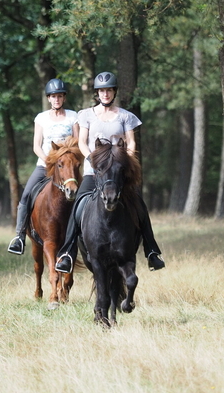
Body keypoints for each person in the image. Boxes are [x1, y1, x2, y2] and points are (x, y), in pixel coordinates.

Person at [55, 71, 165, 274]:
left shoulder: (125, 116)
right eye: (102, 91)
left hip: (117, 173)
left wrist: (124, 162)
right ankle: (67, 253)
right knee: (78, 205)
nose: (105, 94)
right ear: (97, 93)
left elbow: (130, 143)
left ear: (114, 92)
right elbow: (82, 142)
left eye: (109, 90)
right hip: (92, 172)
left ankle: (151, 251)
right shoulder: (86, 115)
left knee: (139, 204)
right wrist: (93, 162)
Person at [7, 79, 80, 255]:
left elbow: (77, 143)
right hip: (45, 165)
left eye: (60, 96)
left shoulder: (73, 116)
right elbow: (36, 146)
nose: (57, 99)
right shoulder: (41, 118)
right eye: (54, 96)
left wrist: (67, 161)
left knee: (84, 195)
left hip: (68, 168)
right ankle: (19, 237)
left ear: (64, 98)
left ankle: (84, 236)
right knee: (26, 196)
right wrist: (50, 160)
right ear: (49, 98)